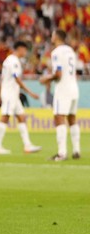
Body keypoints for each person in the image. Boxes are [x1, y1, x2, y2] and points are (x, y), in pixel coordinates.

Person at [0, 41, 41, 155]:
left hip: (12, 94)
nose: (25, 52)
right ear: (20, 49)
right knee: (5, 116)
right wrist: (30, 92)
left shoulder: (9, 60)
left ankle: (27, 145)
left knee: (21, 117)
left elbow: (2, 78)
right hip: (9, 94)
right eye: (25, 50)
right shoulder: (13, 61)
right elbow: (16, 78)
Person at [39, 29, 81, 160]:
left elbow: (58, 74)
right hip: (74, 87)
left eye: (52, 35)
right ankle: (76, 150)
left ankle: (62, 153)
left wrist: (46, 79)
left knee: (59, 118)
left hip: (63, 89)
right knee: (72, 118)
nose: (51, 37)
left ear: (56, 37)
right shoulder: (71, 51)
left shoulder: (56, 52)